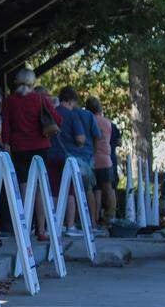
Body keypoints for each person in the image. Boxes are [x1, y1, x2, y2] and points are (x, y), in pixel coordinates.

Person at [0, 68, 62, 240]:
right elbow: (57, 120)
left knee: (24, 186)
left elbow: (6, 125)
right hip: (41, 146)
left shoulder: (10, 101)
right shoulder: (40, 99)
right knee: (40, 187)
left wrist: (6, 143)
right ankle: (41, 230)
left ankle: (24, 228)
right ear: (33, 83)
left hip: (19, 147)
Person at [48, 87, 100, 237]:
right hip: (69, 158)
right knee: (70, 190)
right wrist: (80, 143)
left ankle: (55, 223)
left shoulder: (53, 112)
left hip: (51, 155)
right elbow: (80, 139)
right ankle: (70, 225)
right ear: (71, 101)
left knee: (53, 190)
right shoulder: (72, 116)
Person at [86, 97, 115, 233]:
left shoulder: (88, 120)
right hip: (106, 159)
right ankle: (110, 217)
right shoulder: (107, 122)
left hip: (92, 159)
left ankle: (94, 218)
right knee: (108, 189)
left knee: (93, 190)